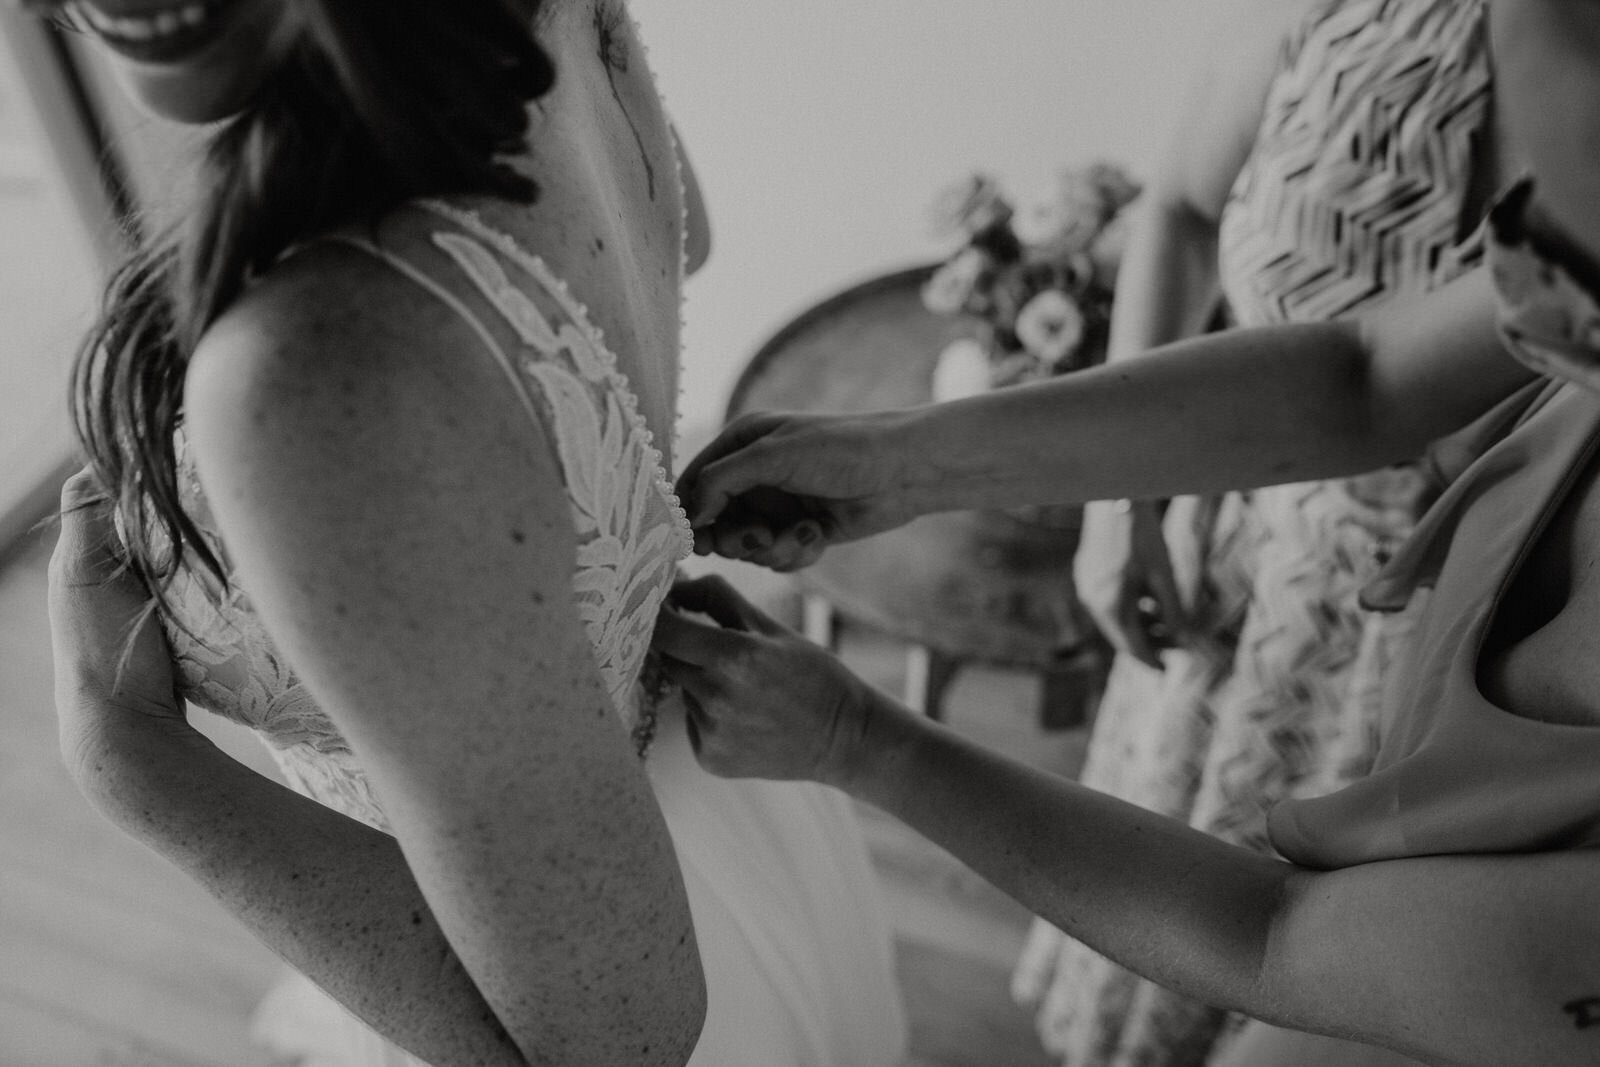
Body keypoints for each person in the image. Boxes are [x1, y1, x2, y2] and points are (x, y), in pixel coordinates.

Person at [661, 2, 1600, 1063]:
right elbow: (1364, 380)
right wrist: (905, 461)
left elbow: (1275, 941)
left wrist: (854, 740)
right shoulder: (1582, 259)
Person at [41, 1, 905, 1064]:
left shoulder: (318, 371)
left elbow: (615, 1043)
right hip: (703, 821)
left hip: (549, 933)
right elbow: (684, 234)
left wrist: (127, 757)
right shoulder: (559, 27)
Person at [1020, 0, 1504, 1061]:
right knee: (1168, 919)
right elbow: (1182, 209)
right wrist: (1122, 494)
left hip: (1499, 634)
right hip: (1246, 574)